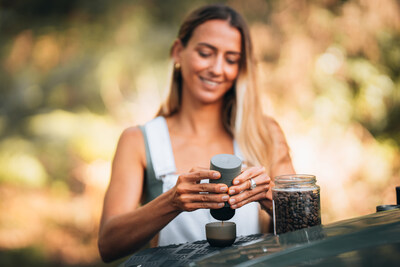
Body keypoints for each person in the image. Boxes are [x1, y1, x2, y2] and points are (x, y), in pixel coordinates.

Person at [98, 3, 295, 263]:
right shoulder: (138, 141)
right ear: (178, 52)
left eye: (231, 59)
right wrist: (172, 202)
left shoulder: (265, 134)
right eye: (205, 53)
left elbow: (307, 234)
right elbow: (109, 245)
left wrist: (271, 200)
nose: (217, 68)